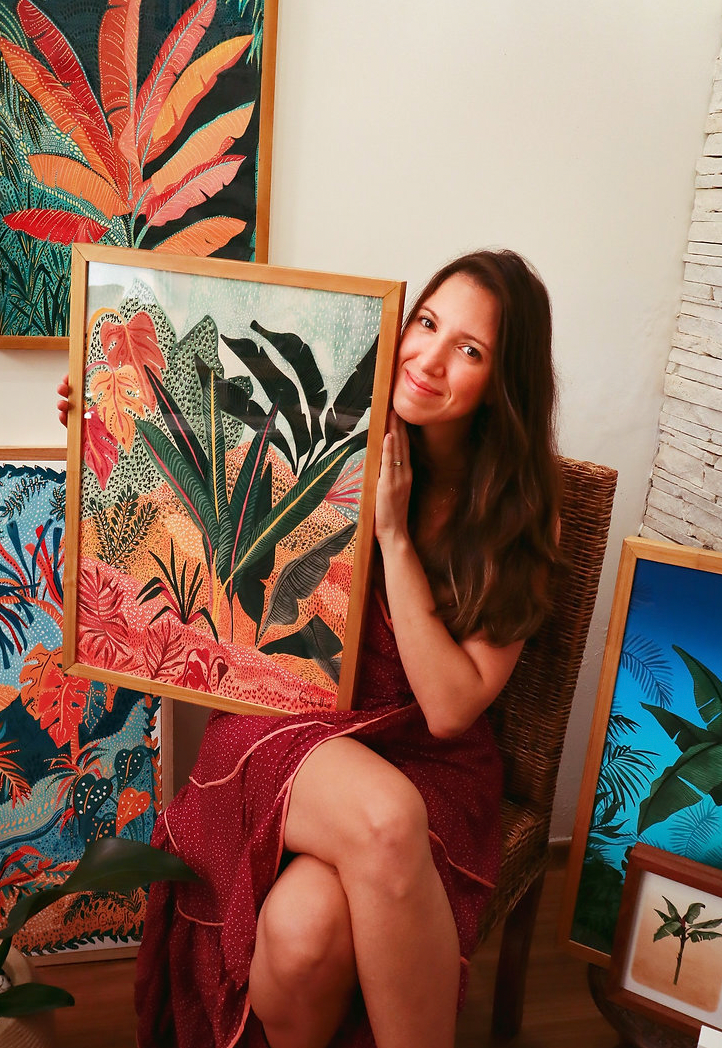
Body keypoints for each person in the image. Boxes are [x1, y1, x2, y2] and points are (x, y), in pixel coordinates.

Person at [58, 248, 561, 1048]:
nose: (429, 359)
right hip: (291, 719)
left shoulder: (518, 510)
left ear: (505, 383)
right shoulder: (330, 430)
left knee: (300, 936)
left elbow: (450, 707)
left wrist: (393, 535)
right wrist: (102, 425)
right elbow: (194, 501)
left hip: (427, 754)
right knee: (385, 820)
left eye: (469, 349)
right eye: (427, 324)